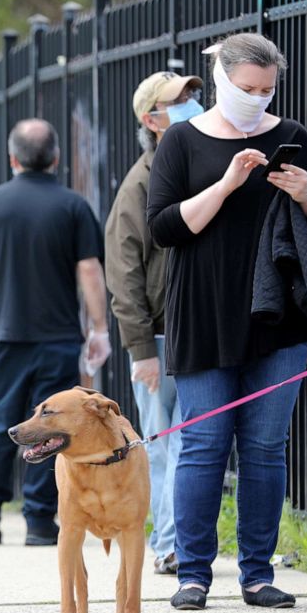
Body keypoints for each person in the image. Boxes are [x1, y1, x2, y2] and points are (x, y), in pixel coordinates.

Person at [147, 33, 307, 610]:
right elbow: (165, 229)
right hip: (203, 311)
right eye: (247, 88)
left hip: (278, 314)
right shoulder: (181, 140)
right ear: (222, 80)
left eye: (267, 89)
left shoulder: (291, 135)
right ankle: (193, 573)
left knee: (266, 446)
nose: (256, 98)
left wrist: (306, 196)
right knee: (202, 442)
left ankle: (256, 572)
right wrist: (225, 184)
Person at [0, 118, 110, 546]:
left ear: (13, 158)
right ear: (56, 158)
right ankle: (41, 520)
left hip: (7, 334)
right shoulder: (74, 206)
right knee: (55, 426)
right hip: (60, 335)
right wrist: (98, 328)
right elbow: (89, 270)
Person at [105, 71, 203, 575]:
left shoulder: (187, 166)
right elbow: (122, 274)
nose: (191, 103)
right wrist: (141, 348)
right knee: (165, 445)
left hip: (192, 332)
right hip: (159, 339)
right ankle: (169, 545)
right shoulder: (141, 183)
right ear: (151, 119)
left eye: (193, 94)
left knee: (187, 443)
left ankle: (176, 542)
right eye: (177, 100)